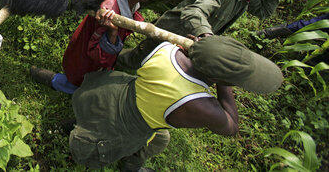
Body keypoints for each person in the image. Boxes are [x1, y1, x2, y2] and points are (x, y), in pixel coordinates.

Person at [68, 35, 283, 170]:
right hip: (123, 126)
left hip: (111, 92)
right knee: (159, 139)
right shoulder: (198, 104)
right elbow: (231, 127)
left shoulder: (167, 49)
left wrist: (207, 53)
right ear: (217, 78)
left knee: (162, 137)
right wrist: (225, 83)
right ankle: (130, 165)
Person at [30, 0, 182, 94]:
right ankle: (53, 80)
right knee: (80, 80)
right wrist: (113, 32)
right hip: (86, 56)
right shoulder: (110, 15)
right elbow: (98, 55)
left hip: (84, 42)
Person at [118, 0, 302, 69]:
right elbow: (194, 11)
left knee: (155, 63)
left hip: (187, 38)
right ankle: (105, 65)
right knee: (136, 59)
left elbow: (264, 12)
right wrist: (205, 35)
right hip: (174, 29)